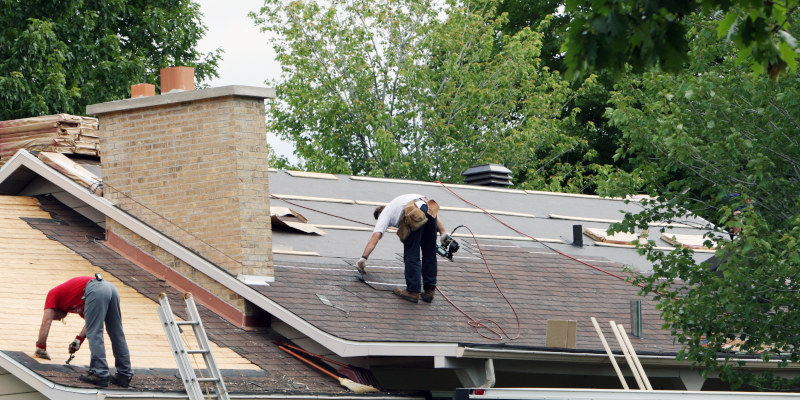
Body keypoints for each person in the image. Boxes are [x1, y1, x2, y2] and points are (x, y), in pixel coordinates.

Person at [35, 275, 134, 388]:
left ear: (54, 310)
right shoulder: (74, 300)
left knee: (95, 332)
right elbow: (89, 323)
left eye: (56, 318)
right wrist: (79, 339)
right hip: (110, 288)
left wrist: (40, 347)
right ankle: (124, 375)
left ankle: (99, 373)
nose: (57, 319)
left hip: (96, 288)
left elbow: (46, 321)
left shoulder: (53, 294)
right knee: (116, 332)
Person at [357, 194, 451, 303]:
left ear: (379, 214)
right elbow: (429, 211)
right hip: (429, 207)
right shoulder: (398, 204)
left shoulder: (384, 214)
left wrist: (363, 258)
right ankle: (429, 291)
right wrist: (443, 233)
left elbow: (375, 236)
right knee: (429, 252)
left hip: (414, 213)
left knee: (412, 253)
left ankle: (413, 291)